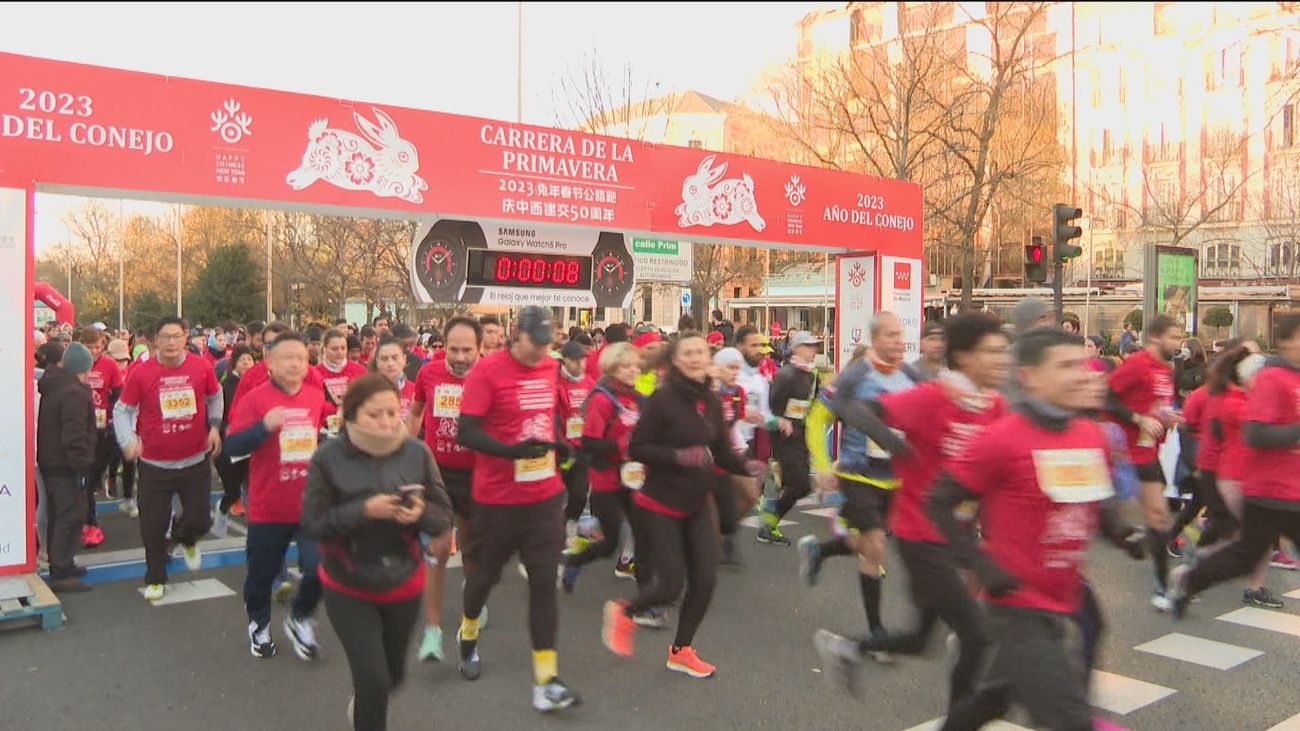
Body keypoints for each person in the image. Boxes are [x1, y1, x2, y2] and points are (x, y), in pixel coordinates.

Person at [810, 313, 1009, 715]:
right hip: (921, 533)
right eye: (992, 352)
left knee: (922, 640)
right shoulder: (932, 397)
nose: (1002, 359)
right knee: (976, 635)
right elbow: (856, 411)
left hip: (959, 536)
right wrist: (895, 445)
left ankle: (847, 647)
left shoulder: (995, 405)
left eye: (1005, 351)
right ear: (964, 356)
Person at [601, 332, 756, 678]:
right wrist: (678, 456)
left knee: (705, 580)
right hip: (659, 503)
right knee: (670, 585)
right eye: (687, 353)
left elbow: (720, 449)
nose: (695, 358)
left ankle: (681, 650)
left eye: (700, 352)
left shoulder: (712, 402)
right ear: (675, 361)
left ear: (708, 358)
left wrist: (749, 466)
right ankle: (624, 612)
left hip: (698, 501)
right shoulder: (662, 399)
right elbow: (638, 448)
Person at [302, 373, 452, 731]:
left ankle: (370, 701)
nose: (386, 422)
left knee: (393, 677)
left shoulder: (417, 452)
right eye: (374, 414)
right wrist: (364, 510)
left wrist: (421, 514)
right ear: (351, 415)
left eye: (391, 412)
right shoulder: (328, 457)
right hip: (348, 584)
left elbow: (443, 513)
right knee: (373, 679)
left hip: (403, 581)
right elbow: (313, 524)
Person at [454, 306, 579, 712]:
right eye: (534, 344)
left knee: (544, 583)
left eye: (547, 345)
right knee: (484, 578)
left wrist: (560, 444)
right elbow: (466, 432)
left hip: (544, 496)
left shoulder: (549, 368)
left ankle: (546, 680)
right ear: (515, 334)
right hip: (497, 499)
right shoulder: (486, 372)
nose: (541, 352)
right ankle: (468, 631)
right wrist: (511, 452)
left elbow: (544, 418)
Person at [802, 312, 920, 656]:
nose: (898, 341)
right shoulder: (856, 375)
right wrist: (823, 464)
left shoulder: (909, 374)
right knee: (876, 547)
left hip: (893, 477)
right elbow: (817, 417)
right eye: (890, 335)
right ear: (875, 339)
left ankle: (819, 550)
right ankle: (877, 633)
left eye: (901, 334)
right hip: (857, 474)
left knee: (865, 543)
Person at [1170, 335, 1296, 616]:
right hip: (1234, 476)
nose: (1260, 362)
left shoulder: (1248, 394)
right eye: (1254, 358)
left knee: (1245, 541)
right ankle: (1193, 571)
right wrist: (1200, 468)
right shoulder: (1229, 399)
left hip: (1253, 478)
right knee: (1238, 538)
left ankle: (1195, 575)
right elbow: (1205, 433)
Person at [225, 332, 327, 661]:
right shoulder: (255, 399)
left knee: (319, 570)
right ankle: (259, 623)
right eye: (287, 357)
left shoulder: (314, 395)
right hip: (269, 506)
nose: (296, 363)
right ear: (269, 362)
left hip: (309, 503)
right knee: (262, 575)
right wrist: (263, 429)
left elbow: (323, 435)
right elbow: (232, 447)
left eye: (301, 357)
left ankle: (299, 618)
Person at [114, 316, 222, 602]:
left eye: (177, 336)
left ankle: (185, 537)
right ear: (155, 340)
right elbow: (122, 410)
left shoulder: (200, 367)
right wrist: (128, 440)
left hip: (195, 459)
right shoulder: (142, 373)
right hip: (154, 464)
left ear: (186, 337)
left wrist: (214, 426)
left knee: (200, 519)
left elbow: (215, 395)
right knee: (152, 525)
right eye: (165, 337)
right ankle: (155, 577)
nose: (171, 342)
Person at [406, 316, 482, 663]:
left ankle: (473, 597)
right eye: (454, 349)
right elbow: (416, 412)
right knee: (437, 549)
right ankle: (433, 631)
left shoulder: (489, 376)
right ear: (444, 347)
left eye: (467, 350)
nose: (460, 356)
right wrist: (406, 452)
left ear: (479, 350)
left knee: (470, 549)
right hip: (437, 474)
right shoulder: (429, 373)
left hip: (477, 475)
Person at [562, 342, 656, 616]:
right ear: (613, 369)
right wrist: (620, 446)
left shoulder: (638, 399)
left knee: (643, 537)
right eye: (627, 366)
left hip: (634, 479)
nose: (634, 370)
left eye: (636, 365)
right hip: (606, 483)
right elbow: (589, 444)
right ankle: (575, 561)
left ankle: (646, 603)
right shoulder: (602, 399)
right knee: (610, 543)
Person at [1107, 313, 1183, 610]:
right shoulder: (1137, 365)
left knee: (1159, 516)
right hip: (1124, 450)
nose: (1177, 344)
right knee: (1149, 514)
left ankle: (1162, 585)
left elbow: (1157, 406)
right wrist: (1138, 419)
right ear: (1155, 337)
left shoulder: (1167, 369)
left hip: (1148, 450)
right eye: (1173, 338)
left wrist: (1168, 417)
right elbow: (1106, 398)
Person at [37, 341, 97, 593]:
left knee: (59, 514)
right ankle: (61, 570)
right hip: (67, 465)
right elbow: (74, 435)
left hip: (52, 461)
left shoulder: (54, 386)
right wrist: (82, 466)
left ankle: (61, 563)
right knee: (69, 515)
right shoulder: (74, 393)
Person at [757, 331, 823, 545]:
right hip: (784, 438)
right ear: (795, 349)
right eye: (808, 346)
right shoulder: (785, 375)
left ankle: (769, 521)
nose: (813, 350)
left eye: (814, 346)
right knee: (801, 485)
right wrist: (778, 426)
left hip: (802, 436)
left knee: (801, 485)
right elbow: (771, 408)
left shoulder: (813, 376)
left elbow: (813, 405)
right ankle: (769, 521)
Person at [710, 347, 760, 567]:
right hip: (706, 456)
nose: (734, 373)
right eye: (730, 368)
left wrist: (741, 448)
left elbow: (733, 427)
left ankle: (726, 531)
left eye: (737, 368)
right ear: (717, 367)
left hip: (729, 453)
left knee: (752, 494)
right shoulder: (708, 393)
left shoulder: (737, 392)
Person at [82, 328, 123, 548]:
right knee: (85, 481)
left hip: (103, 431)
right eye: (89, 347)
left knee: (93, 476)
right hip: (80, 431)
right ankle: (90, 523)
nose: (94, 351)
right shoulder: (75, 363)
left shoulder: (110, 366)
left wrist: (111, 419)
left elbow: (119, 396)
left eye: (97, 347)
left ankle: (88, 519)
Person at [213, 345, 256, 529]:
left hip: (254, 440)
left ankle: (255, 523)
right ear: (234, 364)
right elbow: (221, 416)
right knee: (233, 488)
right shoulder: (226, 385)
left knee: (253, 485)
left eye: (250, 359)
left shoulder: (260, 382)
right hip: (232, 442)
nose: (247, 363)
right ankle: (223, 508)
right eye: (242, 360)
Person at [556, 340, 595, 533]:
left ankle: (566, 525)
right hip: (560, 448)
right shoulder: (555, 382)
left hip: (582, 448)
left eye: (583, 360)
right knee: (552, 496)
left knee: (579, 495)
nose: (580, 364)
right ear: (565, 361)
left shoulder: (589, 383)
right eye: (575, 361)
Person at [104, 338, 138, 516]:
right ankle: (110, 477)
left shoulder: (133, 372)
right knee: (114, 455)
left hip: (129, 422)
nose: (121, 364)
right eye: (117, 360)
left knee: (129, 459)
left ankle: (128, 497)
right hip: (108, 422)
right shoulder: (102, 371)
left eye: (123, 360)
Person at [317, 329, 368, 423]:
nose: (340, 352)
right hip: (326, 426)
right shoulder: (316, 373)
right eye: (334, 349)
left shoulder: (359, 370)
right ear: (324, 348)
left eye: (343, 348)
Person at [369, 338, 418, 423]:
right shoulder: (366, 391)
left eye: (395, 358)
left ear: (404, 359)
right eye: (384, 359)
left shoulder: (416, 391)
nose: (390, 364)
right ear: (377, 362)